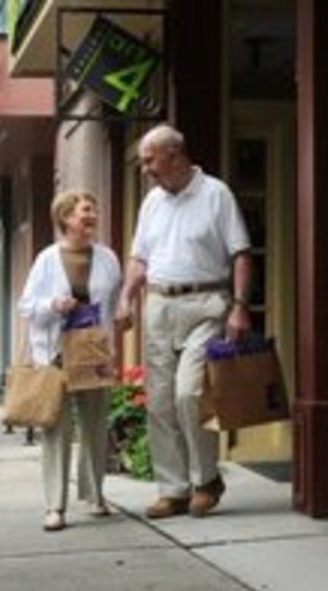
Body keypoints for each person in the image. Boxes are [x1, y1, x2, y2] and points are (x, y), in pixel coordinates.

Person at [117, 124, 252, 519]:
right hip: (159, 304)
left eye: (149, 160)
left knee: (188, 394)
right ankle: (172, 490)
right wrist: (126, 298)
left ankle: (207, 480)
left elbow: (241, 253)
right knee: (159, 401)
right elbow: (139, 258)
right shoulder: (152, 202)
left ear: (173, 154)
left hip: (207, 302)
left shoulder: (216, 194)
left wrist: (240, 306)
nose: (145, 169)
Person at [18, 190, 122, 531]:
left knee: (94, 425)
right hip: (56, 353)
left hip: (93, 352)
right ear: (66, 218)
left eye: (93, 211)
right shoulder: (47, 259)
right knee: (56, 429)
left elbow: (114, 304)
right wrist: (52, 305)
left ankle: (95, 496)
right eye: (84, 212)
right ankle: (55, 506)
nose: (91, 217)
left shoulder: (108, 258)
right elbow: (26, 306)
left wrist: (122, 321)